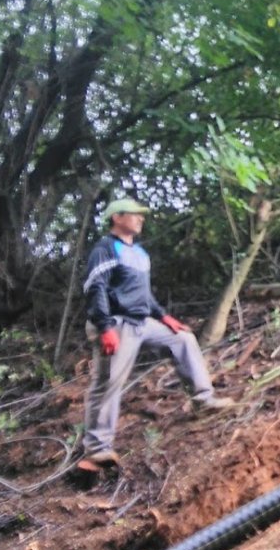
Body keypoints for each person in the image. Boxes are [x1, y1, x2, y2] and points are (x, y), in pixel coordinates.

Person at [77, 198, 235, 472]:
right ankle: (97, 448)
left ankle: (203, 399)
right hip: (116, 323)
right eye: (135, 215)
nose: (141, 219)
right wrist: (105, 327)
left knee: (184, 338)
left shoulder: (139, 253)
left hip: (142, 322)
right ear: (117, 218)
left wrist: (163, 317)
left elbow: (144, 294)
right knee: (108, 381)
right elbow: (96, 288)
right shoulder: (105, 249)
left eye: (141, 215)